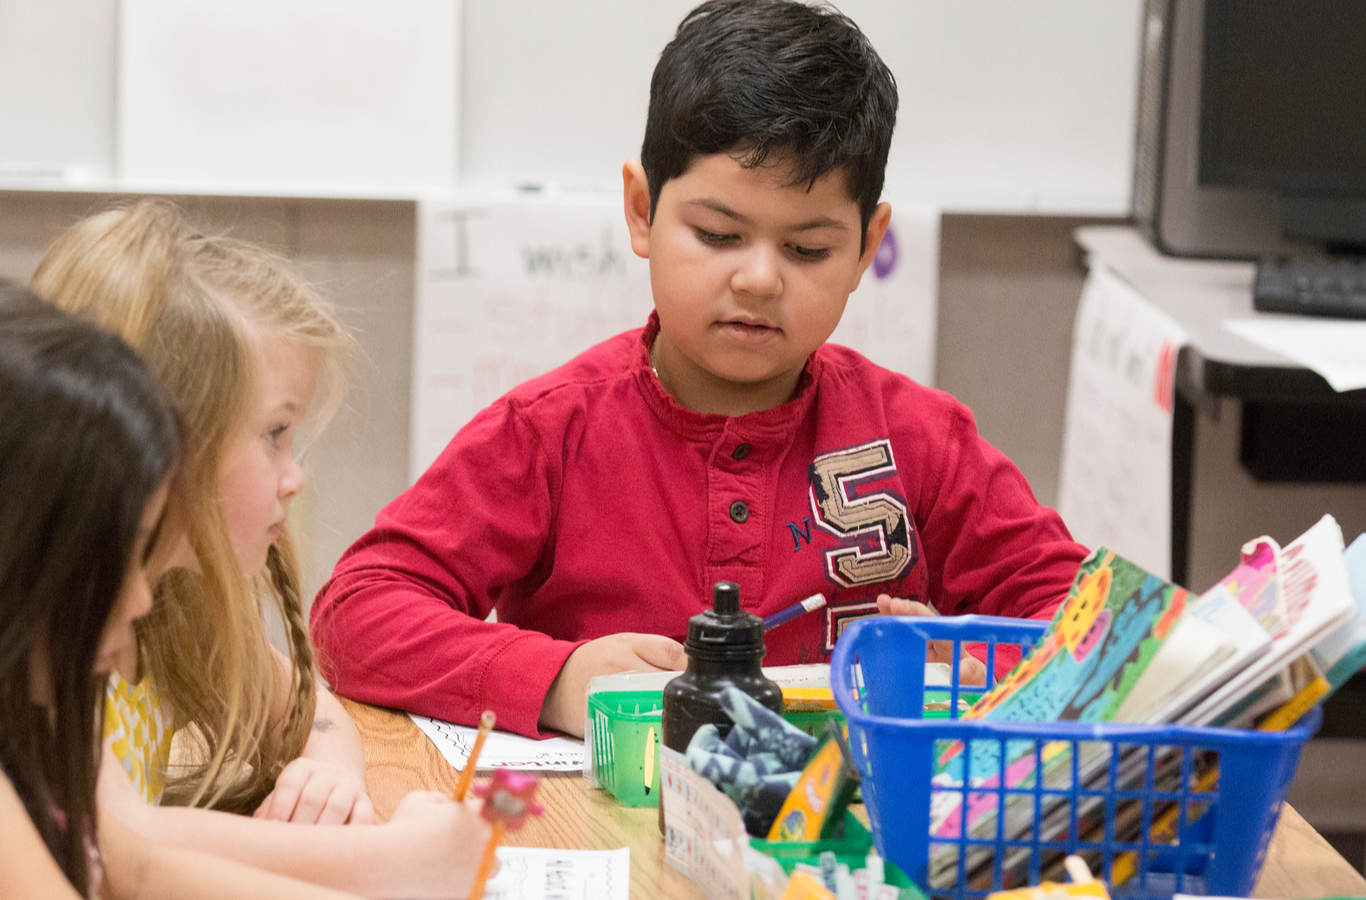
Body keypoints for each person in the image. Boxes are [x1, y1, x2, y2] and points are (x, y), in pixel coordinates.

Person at [310, 0, 1090, 739]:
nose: (759, 280)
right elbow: (357, 612)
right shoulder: (550, 430)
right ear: (643, 210)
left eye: (808, 249)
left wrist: (978, 663)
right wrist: (559, 678)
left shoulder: (921, 439)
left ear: (868, 246)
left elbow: (1093, 622)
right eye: (718, 234)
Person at [0, 282, 371, 900]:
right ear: (1, 560)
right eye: (123, 558)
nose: (139, 601)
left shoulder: (13, 706)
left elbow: (130, 866)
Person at [32, 201, 488, 898]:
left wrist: (330, 775)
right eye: (274, 434)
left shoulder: (170, 598)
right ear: (166, 435)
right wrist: (398, 862)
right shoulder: (52, 619)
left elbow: (310, 708)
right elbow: (120, 837)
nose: (294, 477)